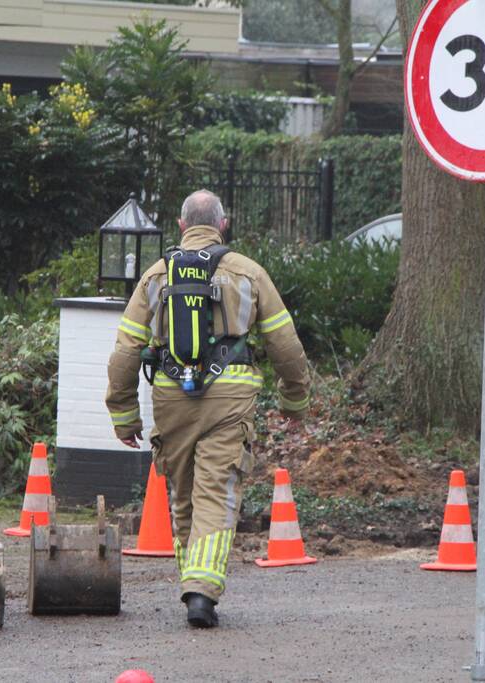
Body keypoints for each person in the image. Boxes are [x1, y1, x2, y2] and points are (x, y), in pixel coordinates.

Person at [105, 189, 310, 628]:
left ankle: (193, 584)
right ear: (223, 225)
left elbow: (125, 351)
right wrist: (294, 399)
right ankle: (201, 591)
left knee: (183, 494)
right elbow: (284, 343)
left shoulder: (156, 275)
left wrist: (123, 414)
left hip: (171, 398)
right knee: (216, 489)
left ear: (181, 226)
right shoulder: (249, 272)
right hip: (230, 398)